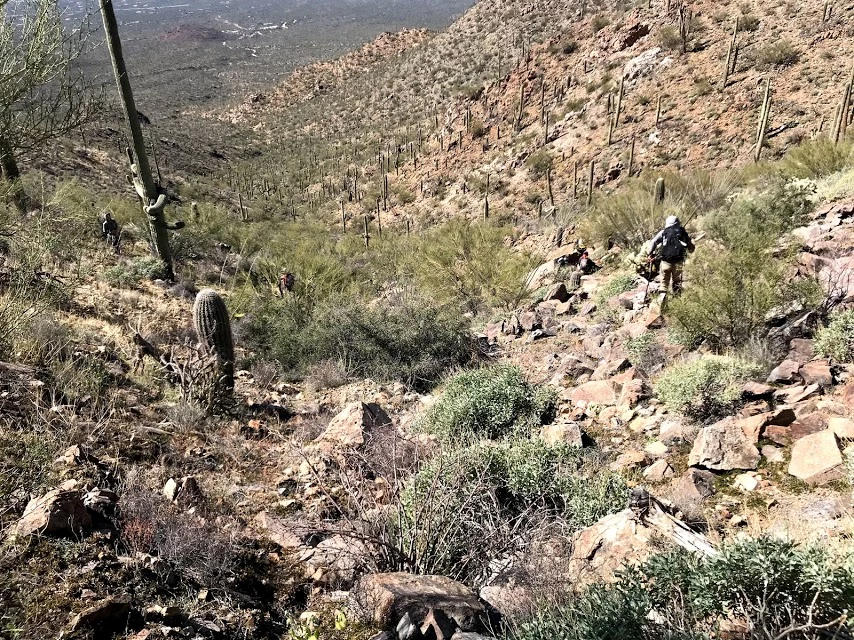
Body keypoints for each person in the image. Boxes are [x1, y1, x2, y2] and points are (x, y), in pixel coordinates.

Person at [648, 215, 694, 295]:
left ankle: (662, 300)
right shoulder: (682, 233)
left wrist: (650, 253)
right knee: (677, 283)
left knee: (663, 284)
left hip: (665, 262)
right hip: (678, 263)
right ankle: (677, 301)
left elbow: (653, 242)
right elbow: (691, 247)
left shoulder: (663, 232)